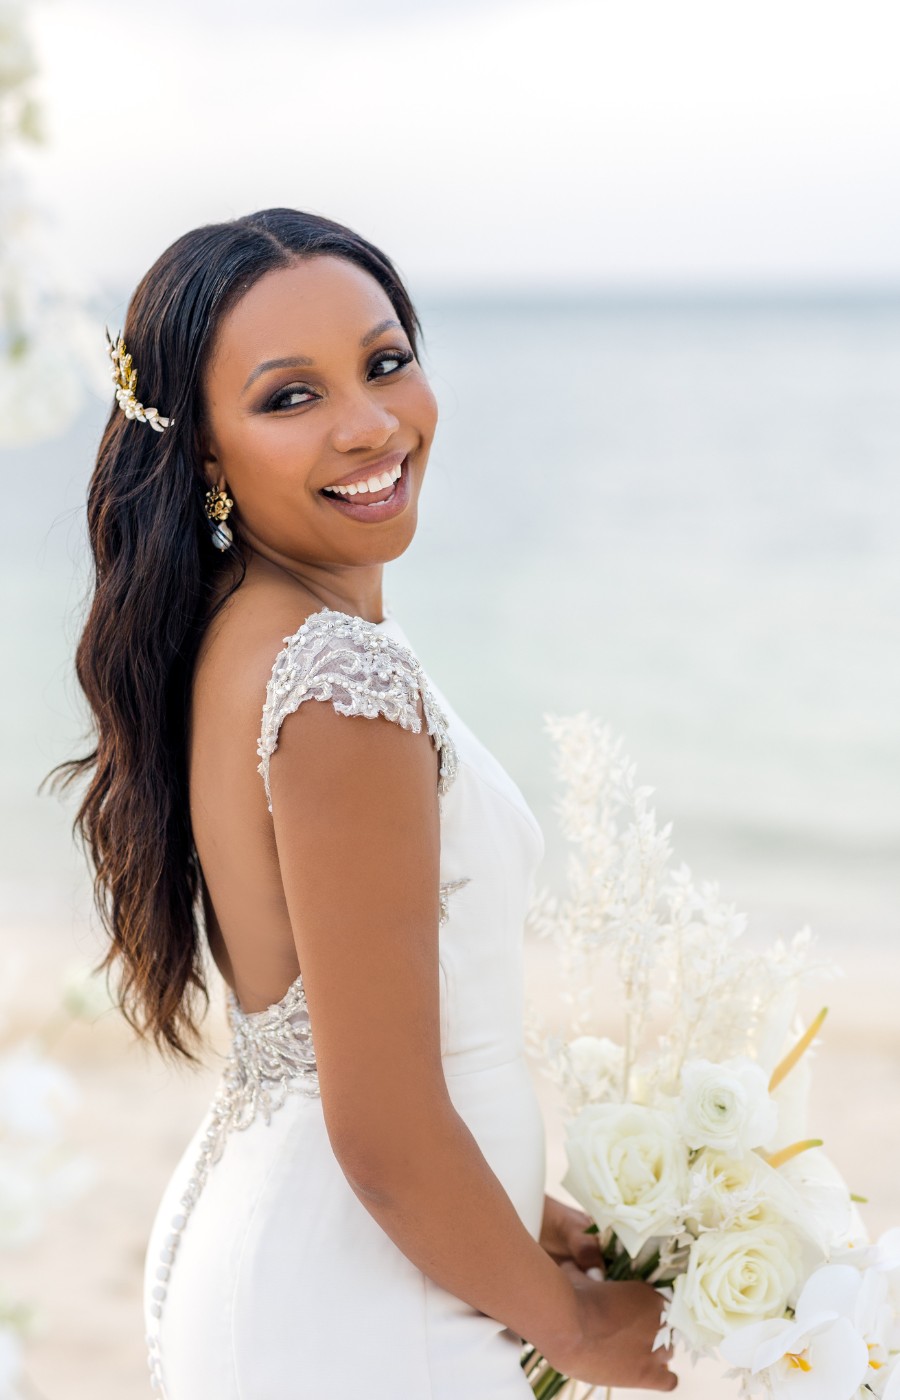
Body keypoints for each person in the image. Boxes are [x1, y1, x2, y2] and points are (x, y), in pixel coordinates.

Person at [49, 209, 677, 1396]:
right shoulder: (343, 683)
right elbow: (383, 1131)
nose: (371, 422)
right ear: (202, 454)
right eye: (290, 397)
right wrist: (582, 1327)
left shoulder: (239, 630)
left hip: (309, 1248)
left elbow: (341, 1027)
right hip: (360, 1290)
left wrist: (518, 1203)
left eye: (386, 361)